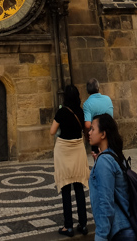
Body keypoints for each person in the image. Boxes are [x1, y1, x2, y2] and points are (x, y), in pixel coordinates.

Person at [88, 114, 135, 241]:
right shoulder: (115, 155)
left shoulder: (105, 161)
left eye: (92, 129)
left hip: (119, 232)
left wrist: (101, 236)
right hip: (127, 226)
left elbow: (106, 203)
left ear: (103, 134)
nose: (89, 132)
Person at [50, 84, 89, 237]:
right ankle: (84, 224)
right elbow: (85, 129)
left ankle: (68, 227)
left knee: (66, 188)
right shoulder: (80, 111)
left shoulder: (61, 112)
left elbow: (52, 131)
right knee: (79, 187)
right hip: (78, 149)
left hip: (64, 150)